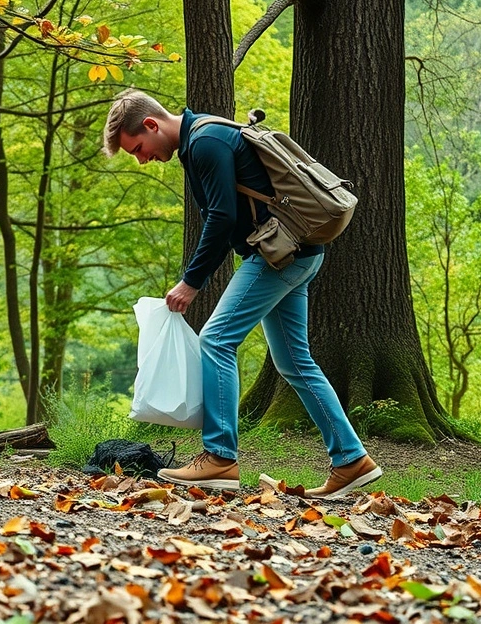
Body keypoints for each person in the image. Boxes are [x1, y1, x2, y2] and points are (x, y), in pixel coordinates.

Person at [102, 89, 381, 499]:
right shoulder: (205, 136)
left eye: (139, 149)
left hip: (277, 256)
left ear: (151, 125)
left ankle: (219, 457)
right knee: (294, 361)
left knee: (216, 340)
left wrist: (191, 281)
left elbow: (222, 217)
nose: (143, 159)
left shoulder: (205, 142)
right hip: (296, 253)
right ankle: (351, 460)